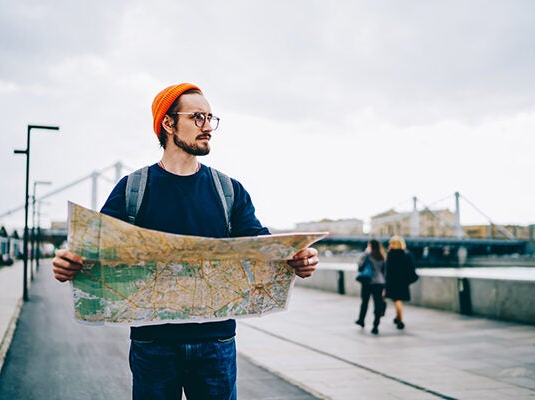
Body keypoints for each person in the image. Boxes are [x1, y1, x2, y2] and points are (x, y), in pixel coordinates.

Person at [52, 82, 319, 400]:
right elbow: (94, 250)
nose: (208, 127)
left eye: (211, 118)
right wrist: (67, 261)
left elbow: (264, 248)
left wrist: (298, 259)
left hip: (216, 344)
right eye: (198, 118)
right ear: (168, 123)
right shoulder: (133, 189)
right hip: (153, 346)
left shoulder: (228, 190)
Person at [384, 235, 417, 330]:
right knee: (398, 300)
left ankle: (400, 320)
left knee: (397, 300)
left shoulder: (391, 254)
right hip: (403, 281)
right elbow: (411, 269)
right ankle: (397, 317)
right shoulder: (406, 254)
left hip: (393, 281)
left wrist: (385, 284)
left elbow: (388, 271)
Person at [355, 239, 386, 335]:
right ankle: (375, 326)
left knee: (365, 302)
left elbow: (360, 266)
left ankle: (361, 320)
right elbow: (384, 271)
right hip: (379, 282)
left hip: (368, 282)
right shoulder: (382, 256)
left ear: (370, 246)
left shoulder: (367, 255)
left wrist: (365, 252)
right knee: (377, 304)